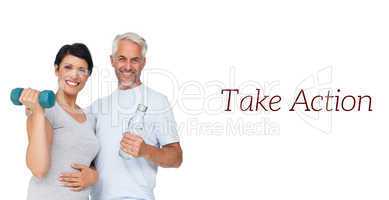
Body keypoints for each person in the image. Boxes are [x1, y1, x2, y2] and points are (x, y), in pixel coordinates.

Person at [63, 32, 183, 200]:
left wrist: (145, 150)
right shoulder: (97, 107)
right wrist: (38, 110)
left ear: (143, 63)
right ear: (112, 60)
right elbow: (72, 137)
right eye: (121, 58)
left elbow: (176, 158)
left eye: (134, 60)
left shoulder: (158, 101)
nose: (127, 66)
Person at [21, 43, 100, 200]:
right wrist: (37, 113)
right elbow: (39, 169)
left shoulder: (90, 118)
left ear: (88, 75)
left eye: (82, 70)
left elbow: (86, 159)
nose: (74, 75)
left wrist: (94, 176)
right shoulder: (45, 111)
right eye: (68, 67)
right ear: (57, 70)